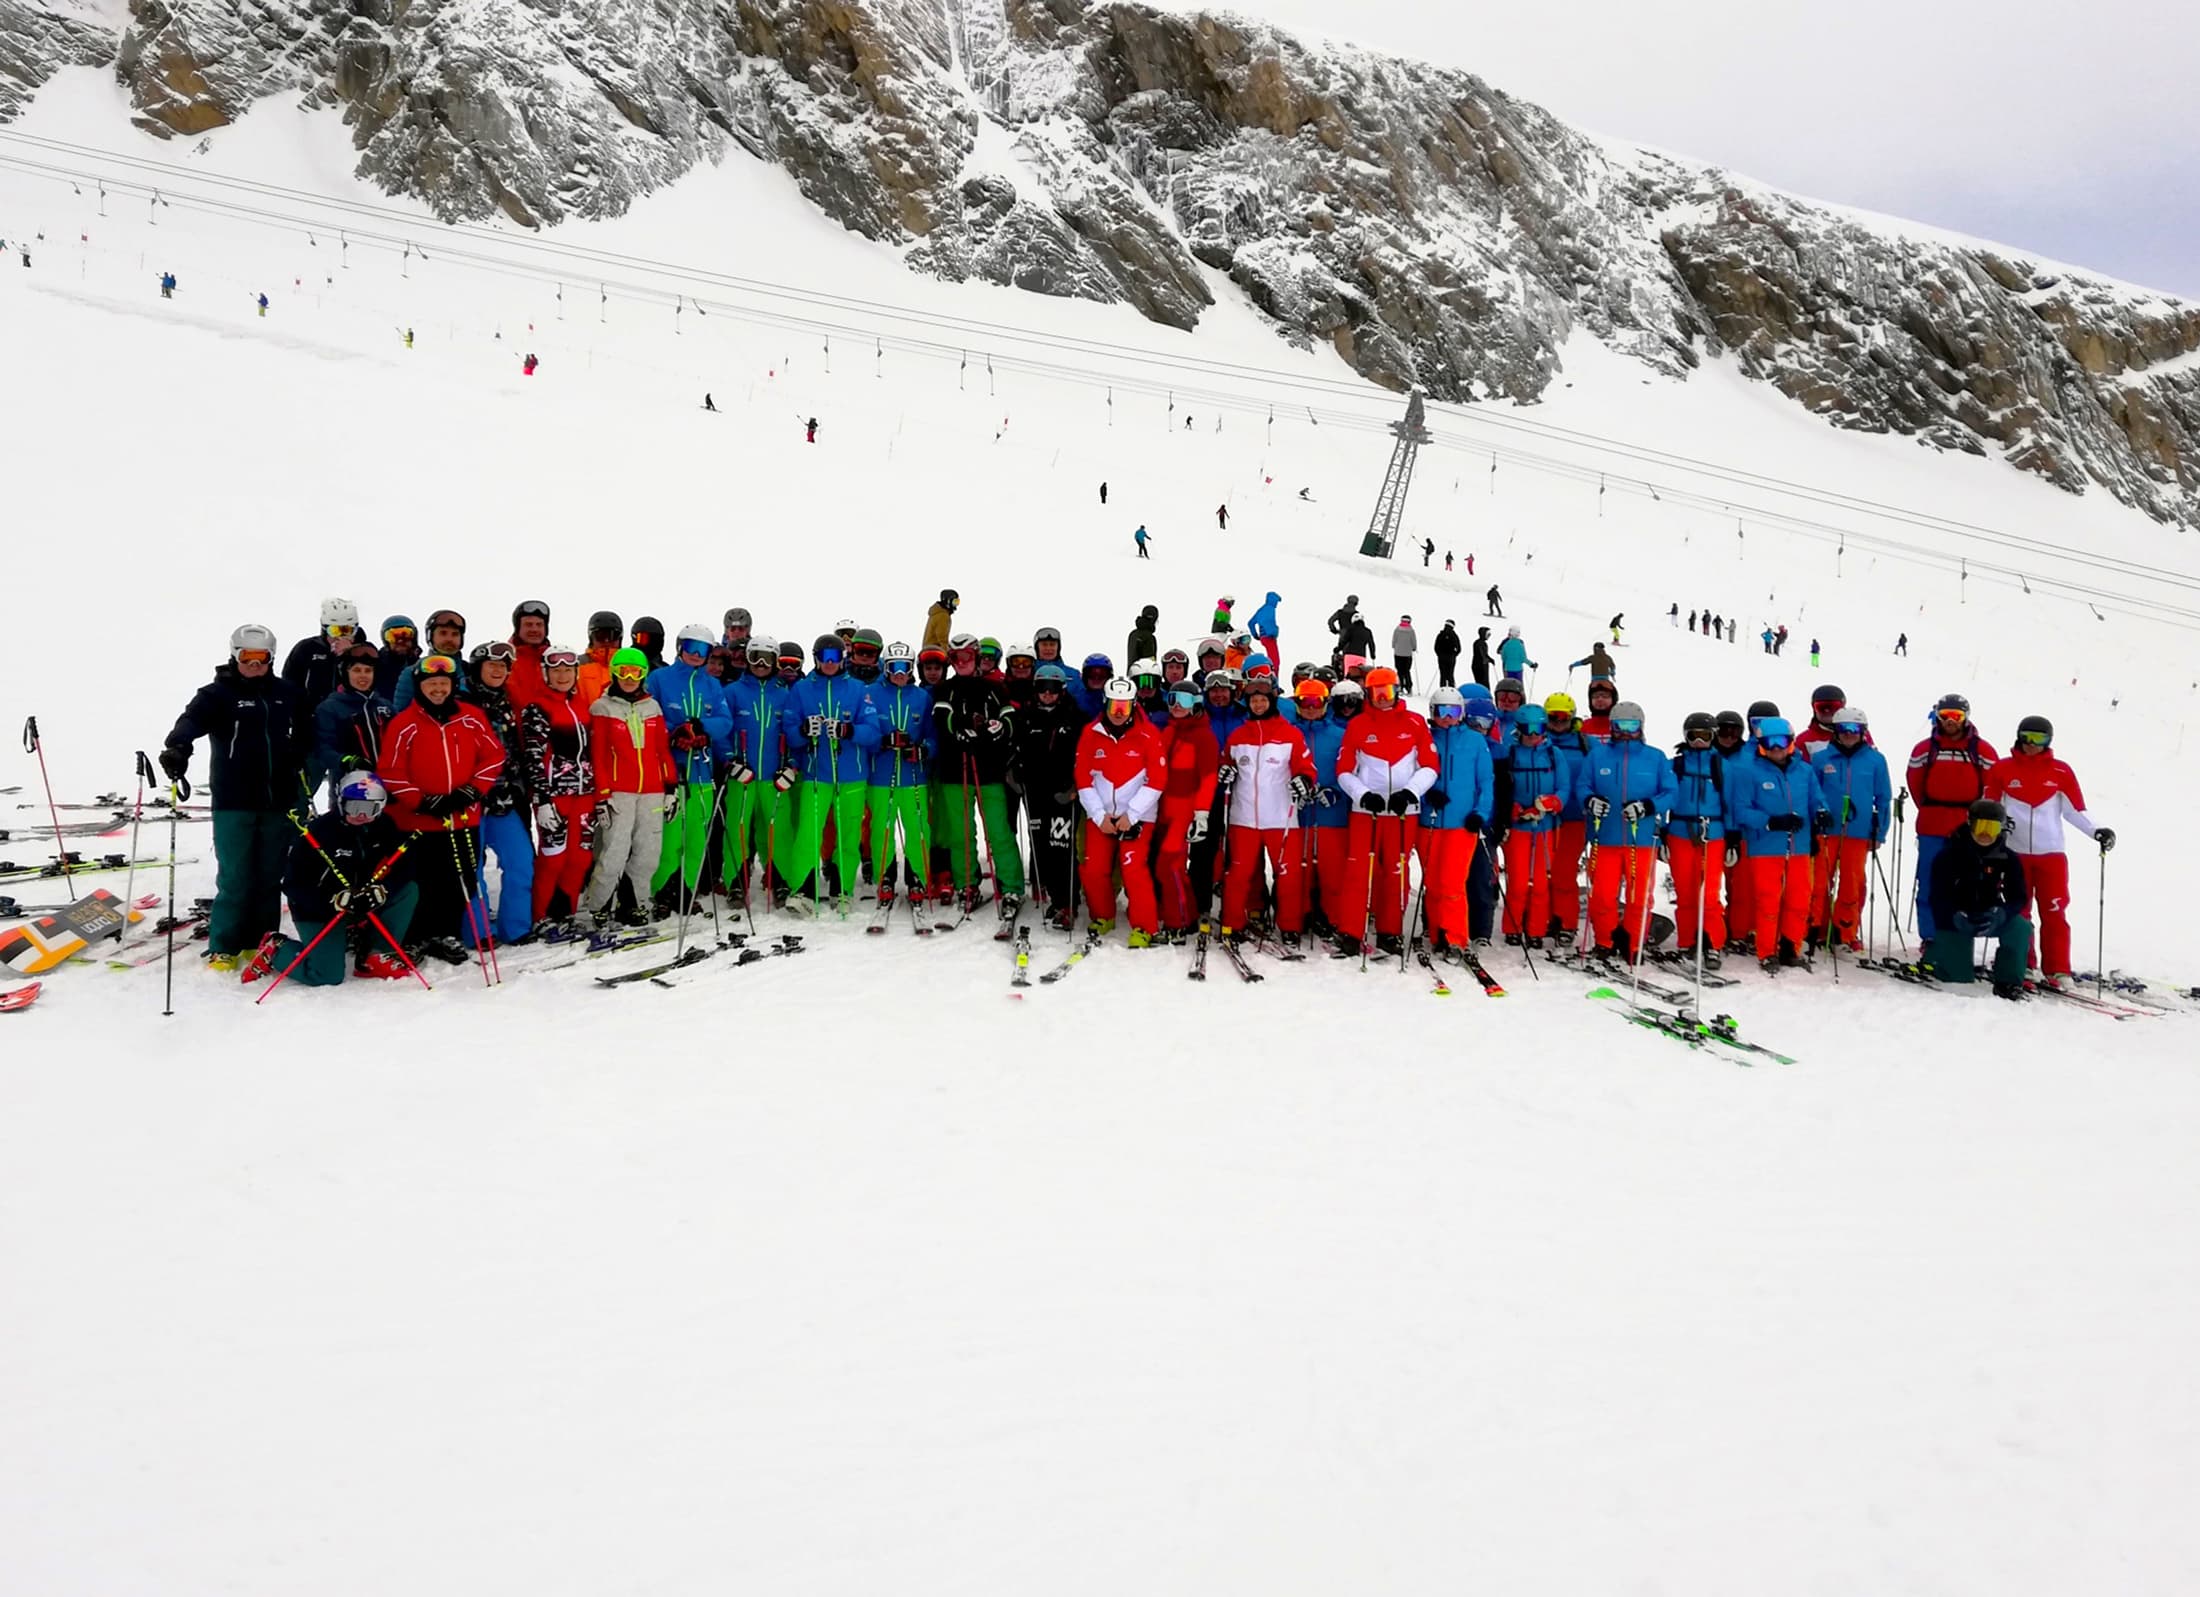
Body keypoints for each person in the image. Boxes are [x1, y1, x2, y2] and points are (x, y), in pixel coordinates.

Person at [160, 624, 309, 970]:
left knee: (270, 876)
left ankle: (263, 940)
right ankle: (224, 944)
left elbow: (305, 729)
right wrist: (178, 748)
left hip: (278, 799)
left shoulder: (287, 693)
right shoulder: (217, 695)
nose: (254, 665)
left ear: (271, 658)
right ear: (235, 655)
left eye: (262, 658)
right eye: (247, 657)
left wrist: (298, 753)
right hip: (234, 800)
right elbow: (190, 722)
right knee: (236, 877)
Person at [377, 654, 508, 960]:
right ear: (420, 686)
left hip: (462, 816)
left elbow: (493, 756)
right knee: (419, 881)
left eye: (443, 683)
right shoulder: (404, 723)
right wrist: (421, 801)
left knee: (457, 879)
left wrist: (472, 790)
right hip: (419, 820)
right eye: (431, 683)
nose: (438, 689)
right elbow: (391, 771)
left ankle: (446, 933)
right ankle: (415, 935)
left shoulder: (471, 716)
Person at [239, 774, 418, 986]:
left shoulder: (383, 826)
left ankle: (375, 954)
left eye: (371, 808)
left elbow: (406, 866)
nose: (361, 814)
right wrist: (332, 900)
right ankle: (277, 948)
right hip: (317, 909)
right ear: (341, 803)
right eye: (354, 807)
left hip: (358, 899)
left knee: (408, 890)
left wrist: (383, 889)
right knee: (327, 975)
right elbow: (293, 884)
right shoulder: (320, 832)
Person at [1984, 716, 2114, 984]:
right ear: (2018, 737)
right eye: (2026, 737)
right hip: (2014, 854)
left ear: (2049, 741)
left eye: (2039, 739)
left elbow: (2076, 810)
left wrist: (2097, 830)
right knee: (2019, 910)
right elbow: (1989, 805)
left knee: (2054, 911)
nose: (2031, 744)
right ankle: (2024, 962)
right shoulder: (2002, 769)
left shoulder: (2060, 772)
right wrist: (1996, 829)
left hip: (2051, 855)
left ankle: (2057, 969)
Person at [1335, 666, 1437, 956]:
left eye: (1388, 692)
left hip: (1403, 812)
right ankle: (1351, 932)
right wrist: (1363, 795)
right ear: (1368, 694)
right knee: (1358, 871)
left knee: (1396, 871)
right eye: (1377, 693)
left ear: (1396, 691)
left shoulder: (1415, 723)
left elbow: (1430, 765)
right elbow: (1343, 770)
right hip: (1367, 813)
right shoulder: (1358, 725)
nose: (1383, 698)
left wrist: (1411, 792)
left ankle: (1390, 931)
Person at [1217, 675, 1317, 945]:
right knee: (1238, 873)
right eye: (1253, 700)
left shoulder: (1290, 734)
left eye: (1263, 700)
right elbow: (1226, 763)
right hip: (1243, 817)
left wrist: (1304, 780)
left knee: (1287, 874)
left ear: (1271, 701)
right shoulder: (1238, 736)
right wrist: (1225, 771)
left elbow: (1307, 769)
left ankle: (1290, 926)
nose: (1258, 704)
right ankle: (1233, 923)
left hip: (1280, 817)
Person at [582, 649, 679, 927]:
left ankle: (635, 902)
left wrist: (671, 787)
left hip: (652, 791)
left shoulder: (653, 707)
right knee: (614, 851)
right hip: (618, 792)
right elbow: (598, 756)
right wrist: (602, 796)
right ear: (614, 672)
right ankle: (600, 904)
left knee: (648, 852)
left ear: (643, 675)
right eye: (623, 671)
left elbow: (662, 751)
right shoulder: (602, 707)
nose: (628, 677)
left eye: (635, 672)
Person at [647, 625, 736, 914]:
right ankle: (662, 890)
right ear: (679, 648)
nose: (696, 655)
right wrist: (674, 734)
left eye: (703, 651)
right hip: (671, 773)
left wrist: (703, 731)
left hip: (702, 771)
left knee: (697, 836)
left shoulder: (711, 684)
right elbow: (649, 715)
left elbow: (725, 721)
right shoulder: (660, 679)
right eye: (691, 648)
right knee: (671, 836)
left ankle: (687, 888)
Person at [934, 637, 1024, 917]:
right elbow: (941, 718)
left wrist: (1000, 728)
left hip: (989, 770)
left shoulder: (994, 688)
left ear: (976, 658)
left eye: (968, 657)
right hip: (954, 770)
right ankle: (967, 883)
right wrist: (959, 727)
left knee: (998, 831)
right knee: (960, 832)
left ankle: (1011, 886)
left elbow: (1010, 717)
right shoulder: (944, 689)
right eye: (957, 658)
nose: (963, 663)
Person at [1576, 701, 1674, 960]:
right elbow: (1583, 786)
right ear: (1612, 726)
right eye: (1620, 725)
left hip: (1639, 840)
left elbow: (1670, 792)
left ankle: (1633, 944)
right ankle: (1605, 942)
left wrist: (1647, 806)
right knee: (1603, 897)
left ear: (1641, 727)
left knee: (1638, 896)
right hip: (1605, 838)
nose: (1626, 731)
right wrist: (1590, 801)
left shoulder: (1655, 757)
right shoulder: (1598, 756)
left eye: (1632, 726)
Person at [1075, 678, 1167, 945]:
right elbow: (1083, 778)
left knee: (1133, 868)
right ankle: (1103, 915)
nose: (1118, 713)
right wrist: (1099, 816)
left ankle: (1145, 926)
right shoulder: (1091, 733)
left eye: (1124, 708)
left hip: (1137, 816)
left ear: (1133, 705)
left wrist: (1132, 815)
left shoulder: (1148, 734)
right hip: (1101, 814)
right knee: (1094, 869)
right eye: (1114, 706)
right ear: (1105, 704)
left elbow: (1157, 779)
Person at [787, 631, 871, 912]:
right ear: (816, 659)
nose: (830, 662)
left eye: (835, 657)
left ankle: (842, 889)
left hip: (851, 774)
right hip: (816, 773)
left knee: (848, 835)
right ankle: (803, 890)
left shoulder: (858, 689)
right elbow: (789, 731)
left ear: (843, 659)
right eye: (824, 657)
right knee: (808, 834)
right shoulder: (802, 689)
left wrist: (849, 730)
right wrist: (802, 730)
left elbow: (873, 732)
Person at [1906, 693, 1999, 942]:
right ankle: (1930, 938)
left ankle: (1958, 938)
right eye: (1944, 715)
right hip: (1932, 824)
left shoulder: (1982, 750)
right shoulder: (1925, 749)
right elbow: (1915, 783)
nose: (1950, 721)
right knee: (1927, 883)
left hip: (1969, 827)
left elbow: (1993, 787)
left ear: (1965, 717)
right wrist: (1929, 808)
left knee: (1965, 884)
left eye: (1956, 716)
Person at [854, 642, 936, 919]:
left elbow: (932, 736)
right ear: (885, 668)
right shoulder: (870, 694)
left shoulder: (921, 697)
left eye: (905, 667)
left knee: (918, 830)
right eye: (894, 667)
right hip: (881, 776)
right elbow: (865, 734)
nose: (899, 673)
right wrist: (884, 741)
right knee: (882, 831)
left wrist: (922, 749)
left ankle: (917, 879)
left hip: (914, 776)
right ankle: (885, 877)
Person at [1731, 716, 1818, 971]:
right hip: (1765, 846)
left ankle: (1791, 946)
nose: (1776, 748)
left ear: (1791, 743)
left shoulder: (1805, 771)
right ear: (1760, 745)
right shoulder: (1750, 772)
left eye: (1781, 742)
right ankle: (1767, 951)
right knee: (1768, 899)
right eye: (1769, 743)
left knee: (1799, 898)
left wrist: (1822, 813)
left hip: (1798, 846)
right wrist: (1770, 822)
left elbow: (1816, 799)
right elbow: (1741, 810)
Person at [724, 637, 805, 907]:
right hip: (743, 775)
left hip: (774, 776)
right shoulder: (734, 692)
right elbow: (723, 732)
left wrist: (792, 765)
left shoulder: (785, 694)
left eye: (767, 659)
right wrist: (730, 762)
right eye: (755, 657)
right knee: (738, 828)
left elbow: (793, 733)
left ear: (775, 662)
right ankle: (736, 880)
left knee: (778, 830)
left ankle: (780, 878)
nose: (760, 664)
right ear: (747, 658)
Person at [521, 645, 598, 926]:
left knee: (580, 858)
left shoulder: (581, 706)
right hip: (555, 796)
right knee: (553, 857)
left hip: (585, 793)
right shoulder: (537, 708)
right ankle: (542, 915)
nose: (563, 675)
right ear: (546, 673)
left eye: (568, 669)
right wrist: (541, 799)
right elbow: (532, 756)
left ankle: (566, 912)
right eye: (556, 670)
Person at [465, 641, 536, 945]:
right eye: (491, 665)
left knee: (520, 860)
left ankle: (516, 927)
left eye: (503, 666)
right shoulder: (462, 703)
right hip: (470, 798)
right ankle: (478, 932)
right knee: (473, 868)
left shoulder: (508, 701)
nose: (497, 671)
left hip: (505, 796)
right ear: (478, 668)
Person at [1925, 799, 2032, 997]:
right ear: (1969, 825)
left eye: (1991, 828)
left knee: (2021, 927)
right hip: (1956, 919)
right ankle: (1935, 956)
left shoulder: (2008, 859)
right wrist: (1954, 916)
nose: (1985, 834)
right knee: (1958, 978)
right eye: (1980, 826)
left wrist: (2001, 914)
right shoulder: (1948, 856)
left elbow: (2018, 897)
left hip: (1990, 915)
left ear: (2001, 829)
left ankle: (2008, 979)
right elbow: (1937, 897)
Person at [1416, 686, 1495, 956]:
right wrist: (1427, 797)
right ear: (1433, 713)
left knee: (1452, 883)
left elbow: (1486, 782)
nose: (1448, 717)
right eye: (1443, 711)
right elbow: (1414, 775)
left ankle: (1455, 937)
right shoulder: (1424, 738)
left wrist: (1480, 814)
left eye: (1454, 711)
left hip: (1462, 824)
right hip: (1429, 822)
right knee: (1433, 882)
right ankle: (1437, 932)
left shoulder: (1474, 741)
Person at [1807, 708, 1891, 951]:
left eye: (1854, 730)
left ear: (1863, 732)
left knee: (1851, 884)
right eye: (1843, 730)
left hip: (1858, 832)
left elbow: (1883, 797)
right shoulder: (1822, 759)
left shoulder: (1875, 760)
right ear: (1836, 731)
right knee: (1820, 881)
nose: (1849, 735)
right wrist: (1816, 820)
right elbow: (1813, 793)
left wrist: (1880, 830)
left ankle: (1845, 931)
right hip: (1827, 832)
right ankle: (1816, 928)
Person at [1011, 661, 1087, 930]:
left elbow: (1085, 757)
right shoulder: (1027, 716)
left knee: (1061, 848)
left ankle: (1068, 903)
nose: (1047, 694)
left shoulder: (1075, 718)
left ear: (1062, 690)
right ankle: (1056, 897)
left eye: (1053, 689)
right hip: (1035, 792)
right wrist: (1015, 771)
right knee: (1041, 846)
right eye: (1042, 688)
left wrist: (1076, 787)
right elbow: (1016, 749)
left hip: (1063, 794)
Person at [1663, 712, 1729, 966]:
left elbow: (1730, 802)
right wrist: (1663, 833)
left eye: (1705, 736)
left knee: (1710, 892)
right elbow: (1666, 797)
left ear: (1713, 737)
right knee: (1685, 891)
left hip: (1713, 832)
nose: (1699, 742)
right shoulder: (1676, 765)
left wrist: (1732, 838)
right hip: (1681, 832)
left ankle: (1712, 943)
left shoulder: (1722, 766)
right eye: (1694, 736)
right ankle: (1688, 941)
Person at [1501, 704, 1564, 947]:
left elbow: (1564, 787)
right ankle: (1513, 927)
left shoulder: (1552, 754)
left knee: (1540, 881)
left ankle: (1537, 929)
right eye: (1527, 729)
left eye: (1538, 728)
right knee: (1517, 881)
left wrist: (1553, 802)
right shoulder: (1511, 753)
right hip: (1519, 827)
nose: (1533, 734)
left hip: (1545, 826)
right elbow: (1501, 787)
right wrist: (1513, 808)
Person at [1540, 690, 1592, 943]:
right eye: (1553, 717)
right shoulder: (1537, 741)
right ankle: (1545, 917)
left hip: (1574, 816)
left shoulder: (1585, 743)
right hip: (1543, 816)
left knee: (1563, 871)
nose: (1558, 722)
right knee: (1542, 872)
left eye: (1564, 717)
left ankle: (1566, 921)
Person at [310, 639, 391, 798]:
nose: (363, 676)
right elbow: (323, 749)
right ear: (345, 673)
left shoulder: (385, 707)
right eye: (357, 670)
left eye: (368, 671)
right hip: (350, 787)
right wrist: (347, 761)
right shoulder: (330, 708)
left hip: (388, 787)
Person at [282, 597, 362, 715]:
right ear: (324, 629)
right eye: (335, 631)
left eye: (347, 630)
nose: (340, 637)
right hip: (312, 718)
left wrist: (348, 656)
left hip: (352, 717)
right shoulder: (306, 648)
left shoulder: (365, 651)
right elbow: (289, 685)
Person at [391, 609, 468, 714]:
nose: (449, 639)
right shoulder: (413, 672)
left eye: (455, 634)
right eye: (443, 633)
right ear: (430, 636)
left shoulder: (471, 671)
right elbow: (400, 717)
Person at [506, 599, 553, 707]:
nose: (534, 629)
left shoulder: (555, 660)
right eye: (528, 624)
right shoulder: (504, 659)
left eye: (539, 624)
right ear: (518, 628)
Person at [577, 611, 622, 709]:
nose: (606, 641)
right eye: (600, 636)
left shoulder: (628, 665)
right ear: (591, 638)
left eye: (612, 635)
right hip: (586, 721)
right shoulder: (577, 664)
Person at [373, 616, 421, 699]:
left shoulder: (422, 667)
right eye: (393, 636)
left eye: (405, 634)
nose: (400, 641)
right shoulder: (375, 667)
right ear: (385, 641)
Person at [1796, 684, 1851, 750]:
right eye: (1821, 707)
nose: (1827, 711)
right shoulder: (1803, 741)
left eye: (1833, 706)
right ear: (1813, 708)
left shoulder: (1857, 735)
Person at [1247, 591, 1282, 666]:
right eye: (1276, 601)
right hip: (1269, 637)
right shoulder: (1270, 608)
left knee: (1272, 659)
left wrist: (1255, 635)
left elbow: (1250, 623)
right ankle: (1273, 677)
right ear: (1273, 600)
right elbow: (1267, 621)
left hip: (1263, 637)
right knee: (1275, 661)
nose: (1277, 604)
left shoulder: (1261, 609)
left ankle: (1269, 673)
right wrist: (1273, 631)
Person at [1390, 615, 1419, 693]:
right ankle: (1409, 687)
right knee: (1407, 671)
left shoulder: (1397, 629)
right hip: (1407, 654)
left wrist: (1394, 646)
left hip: (1398, 653)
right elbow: (1413, 642)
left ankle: (1400, 686)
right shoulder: (1411, 631)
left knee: (1399, 671)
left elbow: (1394, 641)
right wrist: (1414, 648)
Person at [1433, 620, 1462, 688]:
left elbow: (1436, 647)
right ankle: (1451, 690)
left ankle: (1442, 690)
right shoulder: (1454, 636)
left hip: (1441, 657)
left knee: (1442, 674)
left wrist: (1439, 654)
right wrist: (1454, 655)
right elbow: (1459, 648)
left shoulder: (1440, 635)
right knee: (1450, 674)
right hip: (1451, 658)